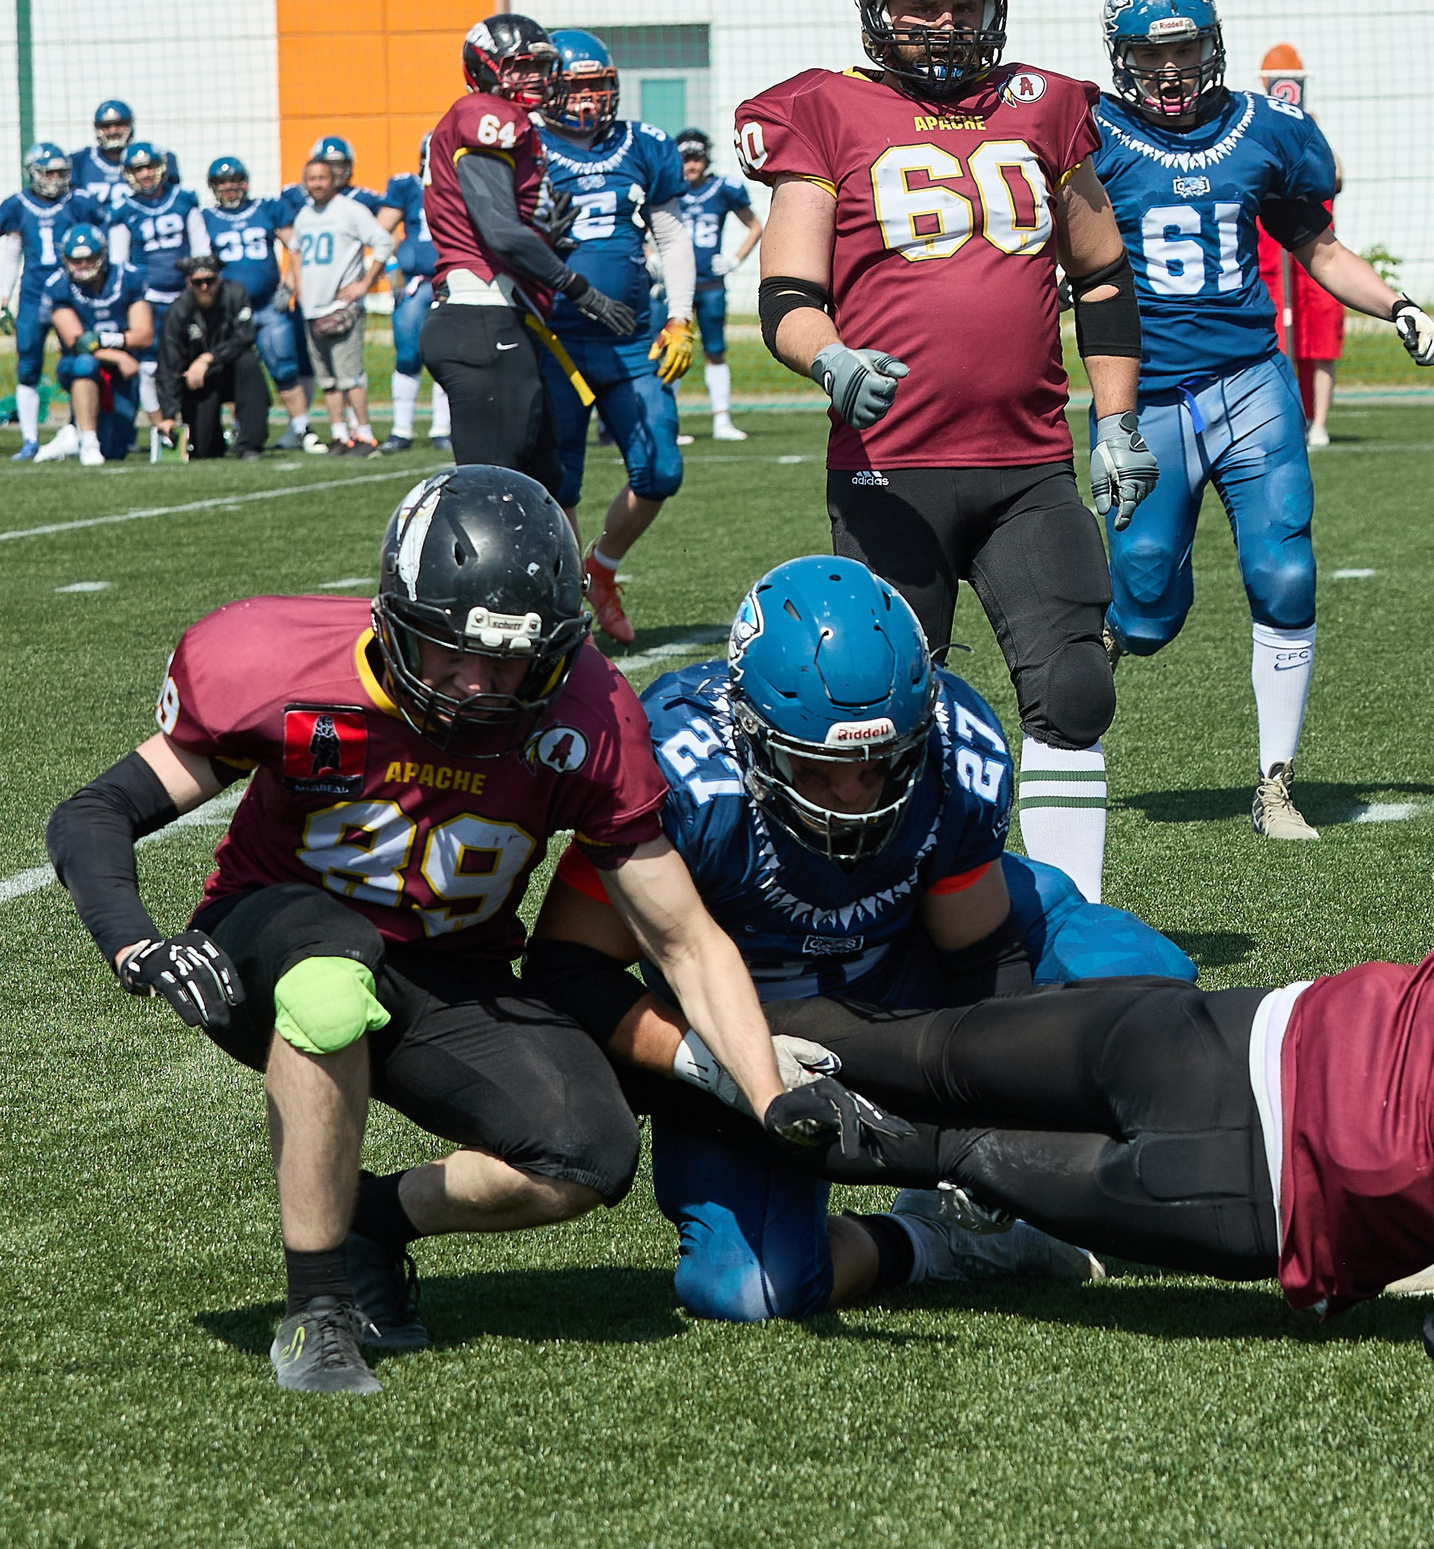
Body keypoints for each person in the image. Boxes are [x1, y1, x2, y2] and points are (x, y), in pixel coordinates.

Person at [40, 467, 842, 1395]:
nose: (475, 686)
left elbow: (683, 937)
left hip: (448, 965)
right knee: (330, 976)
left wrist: (766, 1091)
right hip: (267, 936)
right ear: (394, 623)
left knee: (589, 1152)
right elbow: (94, 812)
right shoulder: (287, 666)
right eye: (449, 652)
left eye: (507, 663)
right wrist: (135, 941)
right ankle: (317, 1309)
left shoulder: (585, 716)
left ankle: (370, 1221)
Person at [601, 824, 1434, 1356]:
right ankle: (707, 1099)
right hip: (1260, 1192)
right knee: (939, 1141)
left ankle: (636, 1027)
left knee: (919, 1044)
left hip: (1229, 1031)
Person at [523, 556, 1202, 1320]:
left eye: (877, 765)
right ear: (750, 735)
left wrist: (999, 1131)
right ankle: (930, 1241)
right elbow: (568, 968)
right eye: (818, 769)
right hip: (752, 1018)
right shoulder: (681, 775)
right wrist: (715, 1066)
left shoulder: (950, 749)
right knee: (753, 1288)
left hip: (908, 957)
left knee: (1152, 994)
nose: (851, 796)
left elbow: (981, 957)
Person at [736, 0, 1142, 903]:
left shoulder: (1043, 105)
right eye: (919, 5)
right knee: (878, 712)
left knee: (1075, 689)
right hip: (892, 470)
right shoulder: (823, 108)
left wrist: (1118, 419)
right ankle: (896, 920)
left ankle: (1069, 919)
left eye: (962, 6)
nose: (944, 24)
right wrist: (830, 360)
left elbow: (1101, 274)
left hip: (1027, 466)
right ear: (876, 7)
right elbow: (786, 295)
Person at [1088, 0, 1434, 841]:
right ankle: (1109, 640)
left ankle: (1275, 783)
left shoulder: (1263, 129)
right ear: (1121, 58)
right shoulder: (1090, 135)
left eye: (1183, 49)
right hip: (1147, 394)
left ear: (1210, 46)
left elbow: (1316, 246)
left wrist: (1397, 304)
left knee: (1285, 571)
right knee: (1149, 600)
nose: (1169, 70)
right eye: (1149, 54)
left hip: (1251, 381)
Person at [420, 14, 640, 494]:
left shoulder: (507, 121)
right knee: (491, 491)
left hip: (500, 318)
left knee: (542, 484)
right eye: (522, 67)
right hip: (482, 316)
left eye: (542, 67)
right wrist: (581, 291)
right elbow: (499, 232)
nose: (538, 78)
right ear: (485, 68)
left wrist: (542, 238)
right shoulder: (485, 114)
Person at [533, 29, 698, 645]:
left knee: (660, 470)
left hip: (632, 339)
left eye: (597, 86)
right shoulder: (527, 147)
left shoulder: (644, 142)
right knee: (559, 481)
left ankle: (601, 568)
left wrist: (680, 316)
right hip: (553, 338)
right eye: (575, 88)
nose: (588, 100)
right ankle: (568, 607)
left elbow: (671, 235)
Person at [1250, 44, 1347, 448]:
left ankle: (1318, 421)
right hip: (1270, 261)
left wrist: (1311, 130)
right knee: (1274, 342)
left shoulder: (1310, 131)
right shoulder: (1256, 130)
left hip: (1315, 254)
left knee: (1320, 339)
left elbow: (1336, 178)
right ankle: (1282, 419)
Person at [280, 156, 394, 454]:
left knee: (350, 376)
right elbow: (295, 250)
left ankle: (364, 434)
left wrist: (364, 284)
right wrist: (297, 285)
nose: (317, 184)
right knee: (328, 379)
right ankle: (340, 434)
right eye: (311, 179)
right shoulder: (305, 215)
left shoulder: (351, 210)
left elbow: (383, 242)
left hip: (342, 307)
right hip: (312, 308)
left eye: (322, 178)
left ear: (334, 180)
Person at [1, 142, 108, 457]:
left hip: (71, 293)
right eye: (49, 172)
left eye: (61, 172)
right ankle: (30, 439)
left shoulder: (79, 201)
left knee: (80, 357)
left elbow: (103, 238)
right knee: (28, 363)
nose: (56, 178)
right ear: (33, 173)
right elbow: (10, 247)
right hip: (34, 294)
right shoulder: (18, 204)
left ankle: (80, 429)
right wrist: (4, 292)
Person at [200, 156, 313, 447]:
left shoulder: (266, 208)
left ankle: (302, 428)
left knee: (284, 367)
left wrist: (289, 285)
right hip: (229, 310)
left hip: (267, 305)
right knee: (234, 369)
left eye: (234, 180)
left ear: (245, 182)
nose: (229, 186)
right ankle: (241, 427)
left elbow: (296, 246)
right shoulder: (205, 218)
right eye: (222, 182)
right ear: (214, 186)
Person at [105, 142, 207, 437]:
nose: (145, 174)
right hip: (148, 300)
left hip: (185, 297)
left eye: (149, 167)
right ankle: (160, 429)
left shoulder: (183, 200)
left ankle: (200, 426)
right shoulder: (123, 210)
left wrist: (198, 289)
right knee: (149, 364)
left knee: (193, 358)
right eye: (138, 169)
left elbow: (201, 250)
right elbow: (120, 263)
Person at [29, 223, 151, 464]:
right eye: (76, 260)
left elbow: (144, 335)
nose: (82, 265)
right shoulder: (59, 285)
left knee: (114, 451)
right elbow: (78, 342)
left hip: (119, 373)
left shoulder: (128, 277)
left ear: (102, 255)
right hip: (79, 366)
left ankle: (71, 435)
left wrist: (105, 340)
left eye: (88, 259)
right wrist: (119, 354)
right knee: (85, 363)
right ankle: (88, 441)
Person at [672, 126, 761, 441]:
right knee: (671, 351)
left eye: (697, 158)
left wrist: (735, 260)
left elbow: (755, 226)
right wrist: (653, 256)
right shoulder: (668, 188)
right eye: (686, 158)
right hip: (676, 286)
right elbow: (644, 224)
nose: (692, 165)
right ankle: (668, 424)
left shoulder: (724, 188)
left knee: (715, 351)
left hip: (710, 285)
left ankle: (722, 420)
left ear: (707, 158)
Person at [154, 253, 266, 459]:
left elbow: (245, 336)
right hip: (199, 382)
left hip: (231, 370)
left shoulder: (235, 295)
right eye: (198, 283)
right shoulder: (178, 312)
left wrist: (208, 359)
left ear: (219, 279)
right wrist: (169, 414)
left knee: (248, 362)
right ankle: (214, 442)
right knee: (203, 450)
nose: (205, 287)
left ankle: (250, 445)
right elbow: (168, 363)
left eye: (210, 281)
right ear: (189, 283)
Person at [382, 133, 448, 453]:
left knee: (446, 356)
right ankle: (401, 429)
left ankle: (443, 428)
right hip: (417, 282)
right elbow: (380, 231)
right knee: (407, 354)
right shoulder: (408, 187)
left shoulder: (464, 186)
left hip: (451, 280)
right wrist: (392, 269)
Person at [69, 100, 179, 205]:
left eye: (119, 124)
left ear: (129, 125)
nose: (113, 131)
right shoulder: (80, 160)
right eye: (106, 126)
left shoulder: (156, 157)